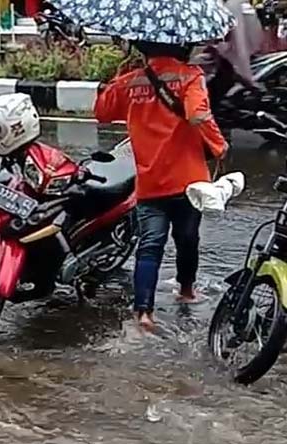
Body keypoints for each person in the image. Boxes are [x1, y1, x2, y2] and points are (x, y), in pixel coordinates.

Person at [94, 41, 229, 332]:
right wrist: (218, 145)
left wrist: (117, 77)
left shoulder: (131, 80)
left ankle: (144, 312)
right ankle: (187, 291)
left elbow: (102, 112)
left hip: (150, 180)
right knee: (187, 238)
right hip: (189, 178)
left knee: (150, 246)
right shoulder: (190, 75)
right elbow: (197, 114)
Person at [207, 0, 263, 106]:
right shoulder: (237, 4)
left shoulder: (231, 5)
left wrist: (246, 76)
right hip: (246, 60)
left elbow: (239, 42)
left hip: (236, 65)